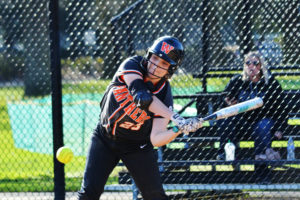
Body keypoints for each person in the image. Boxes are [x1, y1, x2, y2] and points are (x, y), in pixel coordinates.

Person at [77, 36, 203, 200]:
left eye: (164, 63)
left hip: (137, 146)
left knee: (155, 196)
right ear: (149, 55)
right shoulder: (132, 64)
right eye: (155, 58)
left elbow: (156, 139)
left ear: (170, 69)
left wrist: (177, 129)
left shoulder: (165, 94)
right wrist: (176, 117)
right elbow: (141, 95)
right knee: (88, 194)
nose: (156, 65)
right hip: (104, 138)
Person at [216, 51, 286, 162]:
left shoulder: (271, 83)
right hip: (242, 123)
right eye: (248, 63)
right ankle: (227, 154)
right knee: (225, 119)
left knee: (262, 125)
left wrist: (280, 128)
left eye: (255, 63)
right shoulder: (237, 81)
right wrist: (227, 103)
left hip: (263, 123)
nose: (251, 66)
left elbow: (282, 109)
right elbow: (221, 100)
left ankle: (261, 158)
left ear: (261, 66)